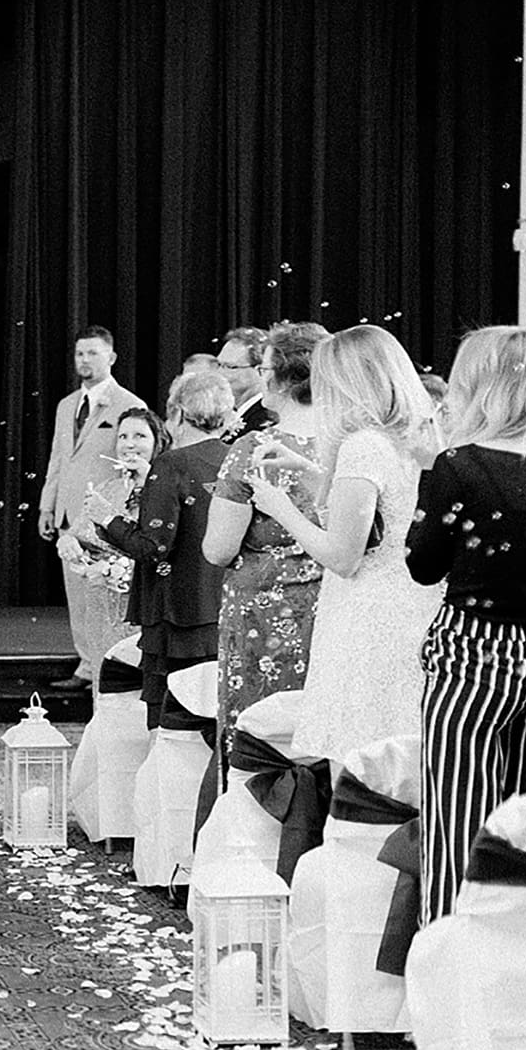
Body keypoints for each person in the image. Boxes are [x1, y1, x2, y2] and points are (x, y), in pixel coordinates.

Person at [407, 326, 526, 926]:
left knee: (459, 822)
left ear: (477, 384)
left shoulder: (456, 467)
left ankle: (452, 979)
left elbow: (422, 566)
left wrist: (426, 490)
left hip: (472, 653)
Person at [244, 326, 443, 765]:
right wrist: (308, 469)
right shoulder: (416, 436)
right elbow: (388, 511)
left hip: (368, 611)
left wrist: (281, 509)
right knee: (404, 748)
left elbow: (343, 557)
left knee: (358, 753)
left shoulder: (362, 446)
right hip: (414, 602)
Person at [204, 323, 329, 772]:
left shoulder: (254, 448)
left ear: (277, 377)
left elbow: (218, 549)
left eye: (264, 366)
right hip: (330, 604)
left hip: (261, 610)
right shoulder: (346, 444)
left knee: (260, 726)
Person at [89, 371, 232, 726]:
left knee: (171, 719)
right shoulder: (235, 459)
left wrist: (109, 520)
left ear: (179, 414)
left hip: (176, 615)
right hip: (221, 607)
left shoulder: (170, 465)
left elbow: (154, 548)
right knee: (214, 714)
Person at [38, 326, 146, 690]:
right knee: (77, 591)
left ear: (111, 357)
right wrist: (46, 506)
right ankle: (86, 664)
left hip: (110, 511)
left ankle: (110, 667)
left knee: (107, 592)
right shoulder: (67, 405)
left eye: (93, 353)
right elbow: (58, 457)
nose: (84, 360)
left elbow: (138, 455)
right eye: (80, 353)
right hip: (70, 510)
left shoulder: (128, 404)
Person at [59, 405, 163, 682]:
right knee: (107, 687)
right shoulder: (106, 488)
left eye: (140, 436)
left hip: (145, 604)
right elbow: (79, 531)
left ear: (157, 442)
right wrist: (69, 542)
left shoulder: (165, 488)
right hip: (103, 607)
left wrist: (115, 566)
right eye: (123, 436)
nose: (129, 444)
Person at [217, 326, 274, 441]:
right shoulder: (222, 413)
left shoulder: (266, 420)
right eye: (219, 365)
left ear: (260, 371)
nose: (219, 373)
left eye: (230, 367)